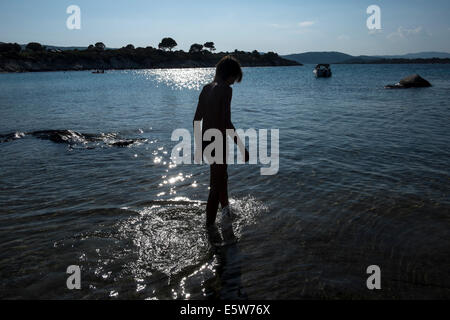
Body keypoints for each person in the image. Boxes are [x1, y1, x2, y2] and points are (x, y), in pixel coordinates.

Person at [193, 56, 249, 227]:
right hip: (218, 142)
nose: (233, 84)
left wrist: (200, 145)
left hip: (207, 141)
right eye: (234, 79)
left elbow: (197, 120)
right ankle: (209, 228)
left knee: (221, 178)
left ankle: (226, 213)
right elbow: (226, 122)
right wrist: (241, 147)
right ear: (229, 74)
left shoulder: (206, 89)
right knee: (216, 187)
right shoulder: (225, 90)